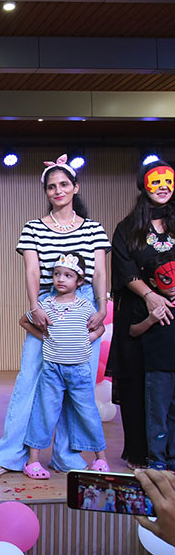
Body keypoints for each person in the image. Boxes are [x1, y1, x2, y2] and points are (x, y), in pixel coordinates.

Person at [0, 155, 110, 476]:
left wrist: (102, 307)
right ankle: (9, 454)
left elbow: (98, 272)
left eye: (64, 184)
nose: (58, 191)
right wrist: (35, 306)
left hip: (84, 303)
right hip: (48, 302)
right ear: (46, 191)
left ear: (75, 187)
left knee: (78, 384)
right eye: (52, 186)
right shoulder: (34, 228)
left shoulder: (93, 228)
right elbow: (32, 269)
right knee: (30, 379)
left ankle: (68, 455)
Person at [109, 160, 175, 469]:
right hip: (138, 315)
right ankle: (142, 453)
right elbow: (123, 268)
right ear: (143, 185)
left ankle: (169, 455)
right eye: (155, 181)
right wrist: (150, 296)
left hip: (173, 316)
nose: (163, 186)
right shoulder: (127, 228)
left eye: (168, 180)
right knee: (138, 385)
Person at [19, 253, 108, 479]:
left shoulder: (86, 306)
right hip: (52, 371)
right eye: (57, 274)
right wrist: (44, 336)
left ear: (79, 281)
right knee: (44, 412)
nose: (60, 279)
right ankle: (33, 461)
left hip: (79, 370)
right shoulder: (45, 305)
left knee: (88, 413)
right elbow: (24, 321)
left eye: (68, 275)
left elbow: (100, 328)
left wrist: (90, 337)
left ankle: (100, 458)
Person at [129, 250, 175, 470]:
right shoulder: (146, 304)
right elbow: (133, 331)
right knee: (157, 414)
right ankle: (157, 458)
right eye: (166, 279)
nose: (172, 284)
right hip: (157, 368)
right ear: (153, 282)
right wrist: (151, 319)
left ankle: (173, 457)